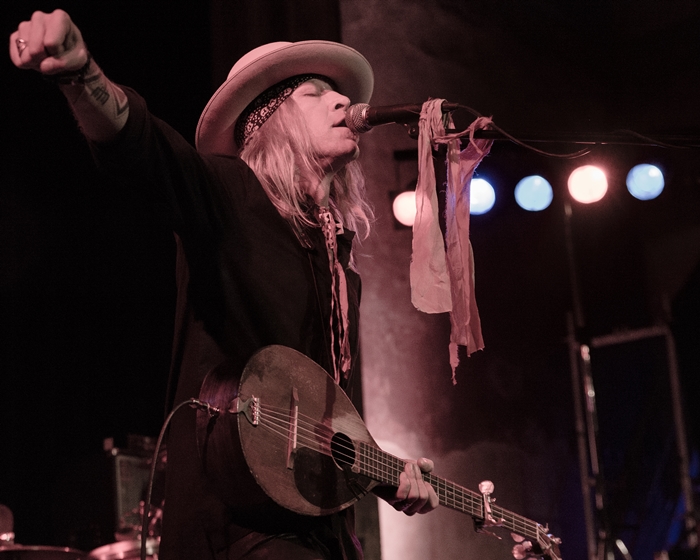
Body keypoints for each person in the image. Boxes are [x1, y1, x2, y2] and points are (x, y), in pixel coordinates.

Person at [9, 9, 439, 560]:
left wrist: (383, 473)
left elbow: (324, 421)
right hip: (235, 534)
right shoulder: (228, 196)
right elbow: (143, 149)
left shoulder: (338, 264)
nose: (340, 100)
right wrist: (80, 73)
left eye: (336, 92)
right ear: (266, 121)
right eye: (313, 93)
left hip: (318, 534)